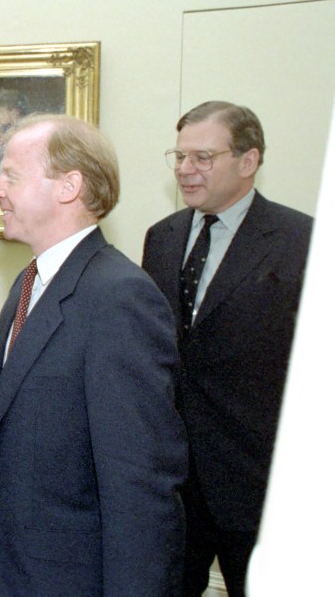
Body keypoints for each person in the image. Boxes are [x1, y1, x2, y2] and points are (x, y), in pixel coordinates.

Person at [0, 114, 187, 595]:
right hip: (13, 563)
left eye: (11, 177)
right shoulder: (34, 280)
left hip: (70, 575)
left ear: (68, 187)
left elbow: (140, 486)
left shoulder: (120, 296)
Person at [141, 101, 313, 597]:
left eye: (203, 157)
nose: (185, 169)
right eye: (179, 156)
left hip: (257, 479)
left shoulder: (302, 240)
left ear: (248, 160)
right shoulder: (163, 237)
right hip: (172, 481)